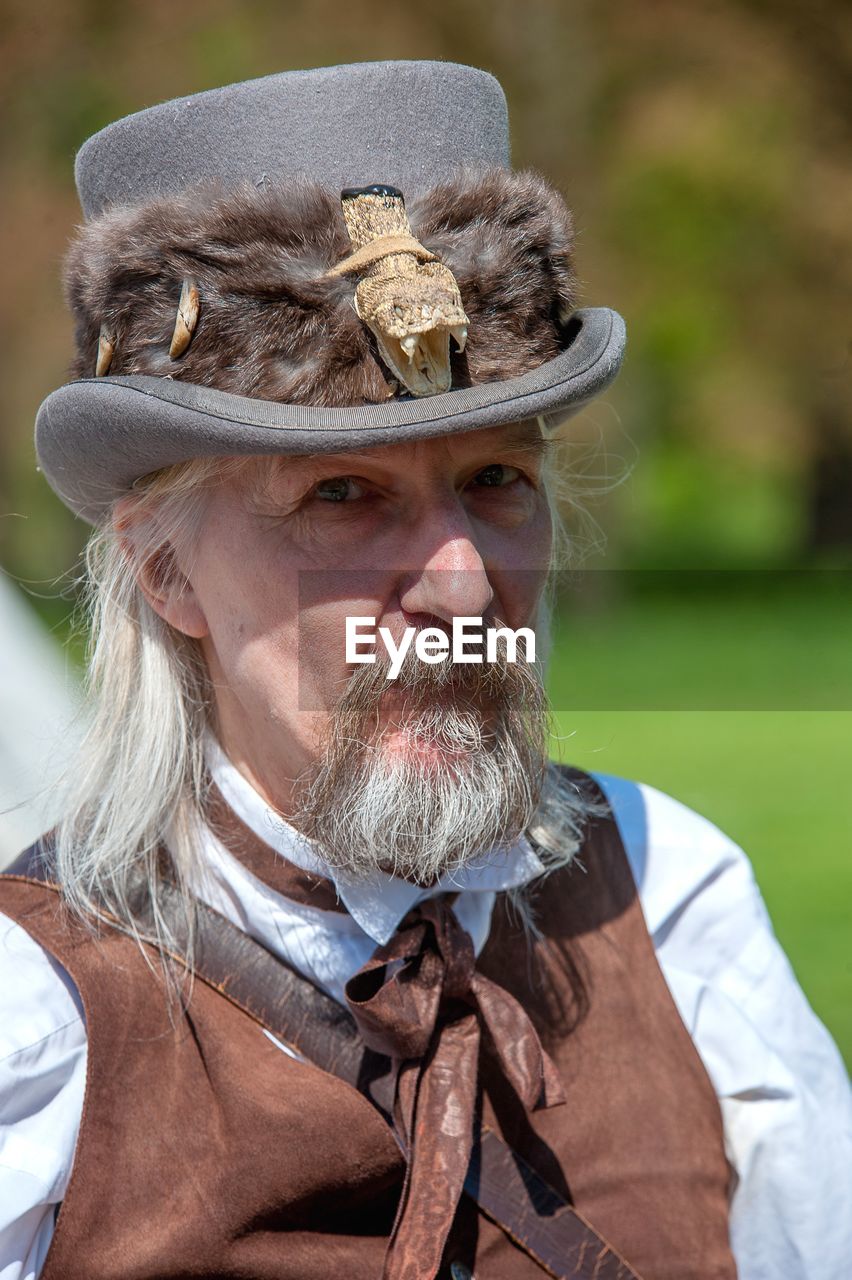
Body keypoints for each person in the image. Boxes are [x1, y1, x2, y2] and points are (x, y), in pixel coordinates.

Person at [0, 60, 849, 1280]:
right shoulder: (38, 1027)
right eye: (342, 496)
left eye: (497, 480)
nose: (460, 583)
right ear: (167, 575)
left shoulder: (672, 904)